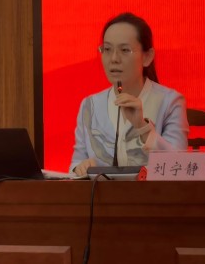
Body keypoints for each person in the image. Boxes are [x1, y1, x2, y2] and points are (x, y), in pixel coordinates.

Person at [71, 12, 189, 176]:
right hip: (101, 192)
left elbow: (180, 168)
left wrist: (142, 127)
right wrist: (80, 168)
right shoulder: (90, 105)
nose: (114, 58)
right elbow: (76, 163)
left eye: (125, 50)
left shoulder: (170, 102)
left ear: (147, 57)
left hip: (153, 192)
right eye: (107, 49)